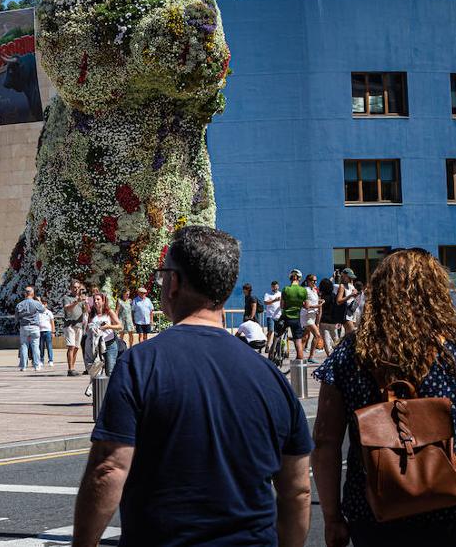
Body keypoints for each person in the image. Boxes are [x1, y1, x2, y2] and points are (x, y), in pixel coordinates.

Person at [74, 226, 312, 547]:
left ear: (173, 282)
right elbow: (297, 489)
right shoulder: (271, 377)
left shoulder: (140, 364)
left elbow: (109, 468)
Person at [313, 248, 456, 546]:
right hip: (450, 503)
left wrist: (331, 517)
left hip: (375, 508)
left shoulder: (350, 354)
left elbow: (325, 442)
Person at [87, 293, 123, 377]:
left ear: (103, 301)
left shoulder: (109, 312)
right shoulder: (92, 314)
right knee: (97, 372)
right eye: (94, 300)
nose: (96, 301)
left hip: (110, 345)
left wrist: (108, 326)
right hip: (97, 346)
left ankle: (111, 389)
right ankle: (100, 389)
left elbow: (120, 326)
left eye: (98, 299)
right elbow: (88, 328)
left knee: (110, 371)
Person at [279, 269, 308, 362]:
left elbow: (281, 306)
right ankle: (299, 360)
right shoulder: (303, 290)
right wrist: (299, 303)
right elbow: (307, 306)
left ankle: (272, 353)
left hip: (285, 318)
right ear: (299, 278)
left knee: (277, 334)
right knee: (298, 340)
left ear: (290, 278)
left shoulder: (286, 289)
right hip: (296, 318)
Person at [15, 285, 45, 372]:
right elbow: (43, 310)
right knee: (35, 346)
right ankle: (36, 365)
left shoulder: (19, 304)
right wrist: (39, 301)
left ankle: (23, 366)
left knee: (24, 346)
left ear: (25, 294)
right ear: (33, 293)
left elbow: (16, 317)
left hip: (24, 326)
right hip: (34, 326)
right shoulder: (36, 303)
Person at [63, 280, 89, 376]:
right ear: (70, 288)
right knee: (71, 347)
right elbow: (67, 308)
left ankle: (72, 368)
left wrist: (85, 303)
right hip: (69, 325)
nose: (76, 289)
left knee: (76, 348)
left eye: (78, 288)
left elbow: (86, 311)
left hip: (79, 325)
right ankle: (70, 369)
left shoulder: (81, 299)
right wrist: (76, 302)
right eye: (74, 287)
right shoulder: (67, 298)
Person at [300, 273, 326, 363]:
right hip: (307, 316)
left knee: (305, 336)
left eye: (315, 280)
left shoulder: (314, 290)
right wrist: (317, 305)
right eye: (313, 280)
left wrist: (320, 301)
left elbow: (313, 300)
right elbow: (306, 306)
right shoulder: (305, 290)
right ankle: (310, 356)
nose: (315, 282)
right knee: (317, 335)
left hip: (312, 315)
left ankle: (300, 356)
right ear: (308, 281)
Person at [38, 296, 56, 367]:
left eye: (44, 303)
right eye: (42, 303)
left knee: (49, 346)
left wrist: (53, 332)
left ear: (46, 304)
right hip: (40, 331)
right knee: (41, 347)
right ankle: (41, 360)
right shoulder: (38, 312)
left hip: (48, 331)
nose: (43, 305)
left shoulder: (49, 312)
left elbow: (52, 323)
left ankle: (50, 360)